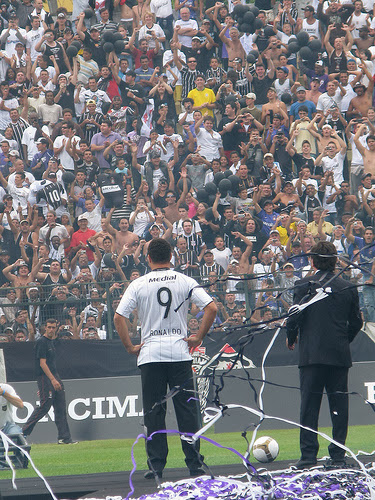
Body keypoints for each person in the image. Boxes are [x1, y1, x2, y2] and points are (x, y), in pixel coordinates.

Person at [114, 238, 217, 479]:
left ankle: (156, 466)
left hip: (150, 354)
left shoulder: (139, 283)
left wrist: (130, 347)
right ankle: (195, 464)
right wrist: (198, 337)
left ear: (148, 258)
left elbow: (119, 317)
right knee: (187, 412)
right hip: (179, 352)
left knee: (154, 412)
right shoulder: (185, 280)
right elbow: (212, 308)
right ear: (171, 257)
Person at [286, 241, 362, 469]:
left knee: (309, 407)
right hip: (338, 356)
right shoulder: (348, 287)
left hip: (311, 355)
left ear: (311, 261)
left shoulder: (302, 284)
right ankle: (338, 455)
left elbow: (294, 317)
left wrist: (291, 338)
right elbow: (357, 322)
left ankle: (308, 456)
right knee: (339, 407)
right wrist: (342, 340)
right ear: (336, 261)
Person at [22, 318, 77, 444]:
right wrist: (51, 381)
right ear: (45, 328)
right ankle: (23, 432)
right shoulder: (42, 341)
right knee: (44, 406)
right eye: (49, 327)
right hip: (45, 376)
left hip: (53, 375)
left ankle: (64, 437)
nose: (51, 330)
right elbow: (42, 364)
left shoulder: (51, 342)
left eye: (53, 327)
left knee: (60, 407)